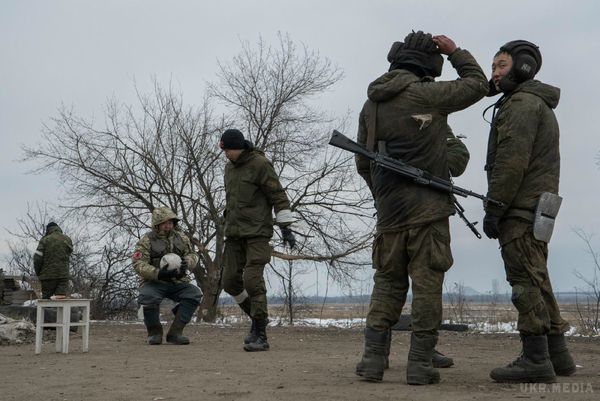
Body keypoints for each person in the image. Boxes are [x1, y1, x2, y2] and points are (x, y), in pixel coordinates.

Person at [354, 31, 488, 384]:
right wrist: (457, 51)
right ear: (428, 65)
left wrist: (384, 198)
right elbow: (478, 85)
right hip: (428, 212)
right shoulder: (427, 94)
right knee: (427, 285)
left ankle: (372, 360)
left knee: (386, 283)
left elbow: (362, 164)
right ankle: (419, 363)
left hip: (389, 214)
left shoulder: (371, 106)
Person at [483, 40, 575, 383]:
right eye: (493, 67)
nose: (494, 73)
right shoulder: (536, 103)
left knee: (524, 282)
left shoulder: (521, 105)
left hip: (520, 209)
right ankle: (559, 356)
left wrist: (495, 208)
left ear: (522, 67)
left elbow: (510, 163)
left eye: (501, 66)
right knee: (538, 277)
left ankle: (535, 359)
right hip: (536, 207)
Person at [219, 128, 296, 352]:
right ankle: (257, 320)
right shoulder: (228, 169)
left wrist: (285, 228)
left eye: (229, 150)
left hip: (257, 233)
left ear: (239, 147)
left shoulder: (261, 164)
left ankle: (261, 334)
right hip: (234, 234)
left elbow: (278, 196)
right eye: (224, 151)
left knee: (252, 281)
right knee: (230, 282)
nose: (226, 155)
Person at [132, 207, 202, 345]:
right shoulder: (146, 240)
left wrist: (186, 264)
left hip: (178, 281)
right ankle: (154, 333)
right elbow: (138, 263)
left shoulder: (181, 238)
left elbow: (193, 255)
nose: (168, 225)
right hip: (155, 281)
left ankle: (175, 333)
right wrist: (158, 273)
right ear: (157, 224)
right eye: (164, 222)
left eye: (170, 222)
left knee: (194, 294)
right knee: (147, 297)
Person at [33, 222, 73, 299]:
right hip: (63, 276)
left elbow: (37, 259)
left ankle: (48, 310)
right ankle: (57, 311)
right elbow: (69, 253)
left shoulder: (45, 240)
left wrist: (38, 273)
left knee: (47, 301)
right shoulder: (67, 239)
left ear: (48, 229)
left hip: (48, 276)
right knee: (60, 301)